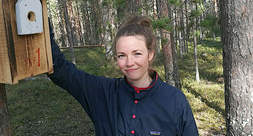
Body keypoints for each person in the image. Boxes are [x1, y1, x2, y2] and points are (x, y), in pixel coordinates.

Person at [48, 16, 199, 136]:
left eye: (137, 54)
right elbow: (60, 70)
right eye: (122, 56)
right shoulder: (102, 93)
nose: (129, 62)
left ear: (150, 55)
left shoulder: (175, 101)